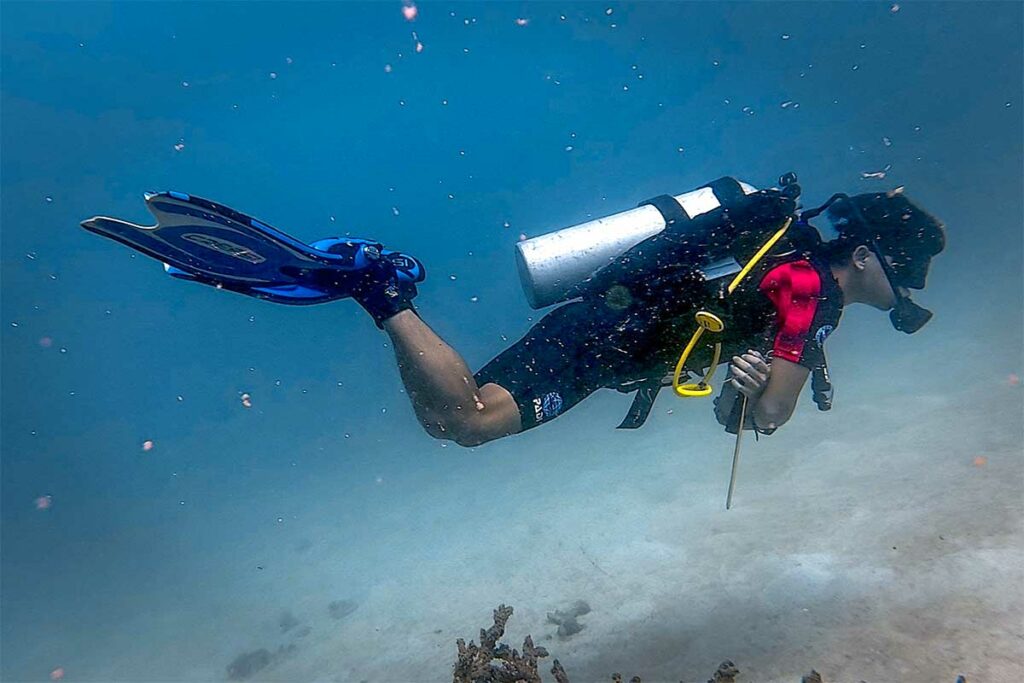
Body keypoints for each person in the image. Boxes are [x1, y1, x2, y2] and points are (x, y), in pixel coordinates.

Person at [81, 181, 945, 447]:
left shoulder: (785, 267)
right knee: (469, 420)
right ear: (864, 255)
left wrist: (744, 391)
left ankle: (377, 290)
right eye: (904, 275)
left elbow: (739, 404)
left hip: (603, 322)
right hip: (609, 338)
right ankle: (379, 291)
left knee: (449, 424)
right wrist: (765, 390)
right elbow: (770, 414)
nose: (904, 294)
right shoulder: (808, 291)